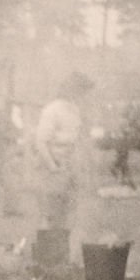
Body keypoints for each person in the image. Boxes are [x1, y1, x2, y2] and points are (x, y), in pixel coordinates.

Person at [33, 71, 94, 268]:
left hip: (70, 167)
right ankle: (46, 262)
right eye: (82, 91)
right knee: (52, 215)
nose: (84, 96)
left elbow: (78, 140)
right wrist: (53, 167)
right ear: (72, 90)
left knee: (68, 214)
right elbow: (41, 142)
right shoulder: (53, 110)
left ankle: (61, 259)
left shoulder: (74, 109)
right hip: (53, 167)